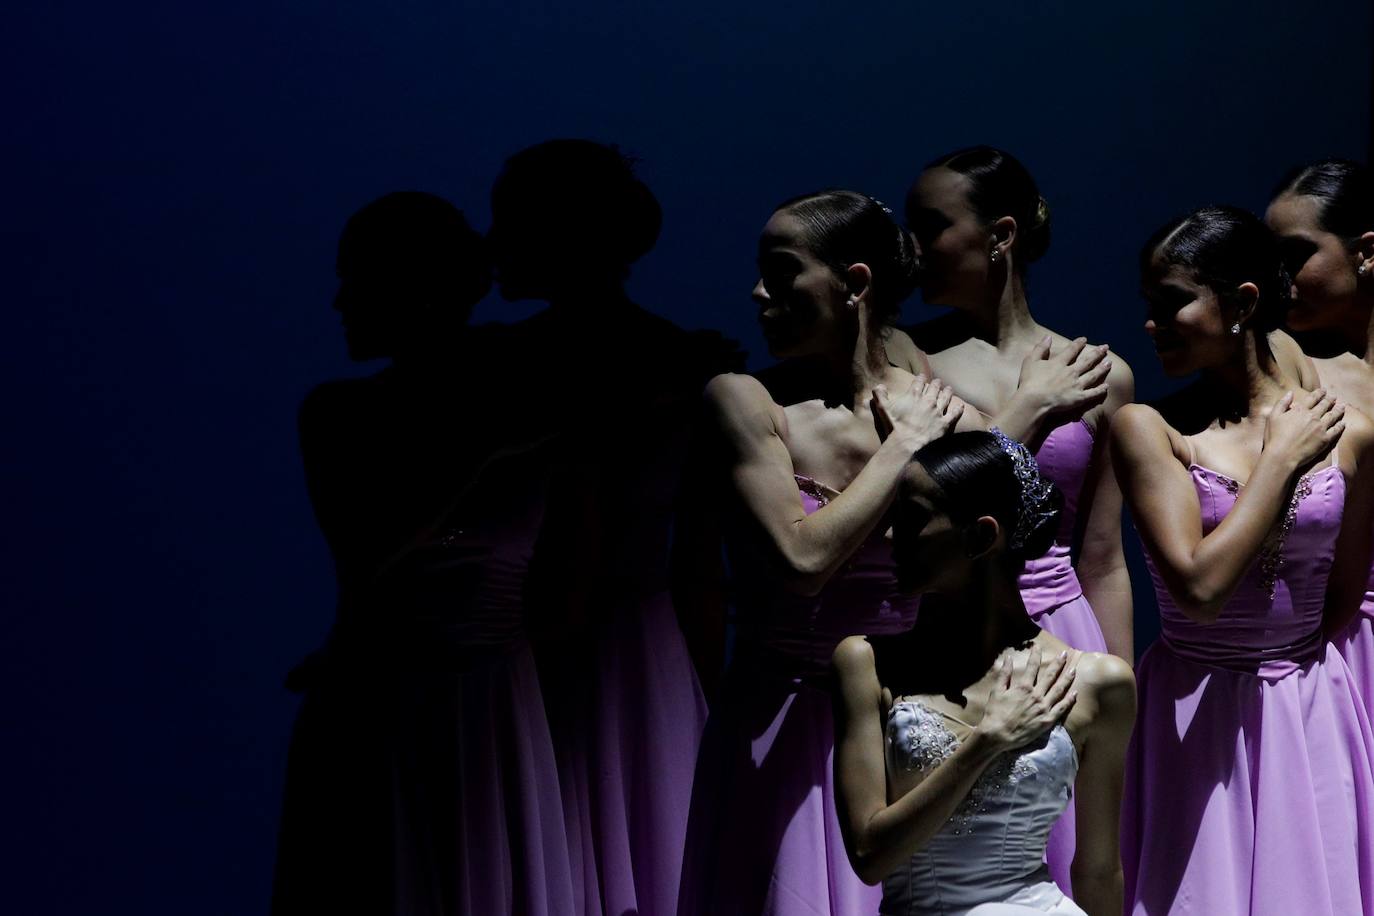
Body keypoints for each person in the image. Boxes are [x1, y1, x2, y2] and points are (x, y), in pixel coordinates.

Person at [272, 192, 576, 915]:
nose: (340, 300)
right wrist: (485, 450)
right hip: (375, 706)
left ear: (419, 290)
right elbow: (367, 549)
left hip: (496, 699)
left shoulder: (522, 377)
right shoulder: (339, 413)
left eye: (358, 278)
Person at [489, 139, 741, 916]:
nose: (492, 242)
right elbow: (701, 566)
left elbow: (701, 561)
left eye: (507, 222)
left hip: (545, 645)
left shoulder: (499, 365)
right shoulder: (686, 362)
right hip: (638, 651)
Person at [1112, 205, 1374, 915]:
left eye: (1172, 304)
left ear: (1243, 303)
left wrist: (1296, 679)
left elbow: (1345, 600)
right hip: (1196, 705)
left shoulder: (1350, 435)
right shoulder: (1149, 431)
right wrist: (1281, 463)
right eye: (1150, 307)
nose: (1152, 324)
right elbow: (1198, 587)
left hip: (1310, 705)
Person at [832, 430, 1135, 916]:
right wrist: (987, 741)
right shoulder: (864, 663)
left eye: (911, 518)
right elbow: (870, 855)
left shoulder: (1098, 683)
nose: (888, 536)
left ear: (980, 536)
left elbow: (1099, 870)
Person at [1266, 159, 1374, 706]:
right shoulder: (1283, 365)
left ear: (1367, 251)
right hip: (1331, 640)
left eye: (1295, 255)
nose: (1277, 277)